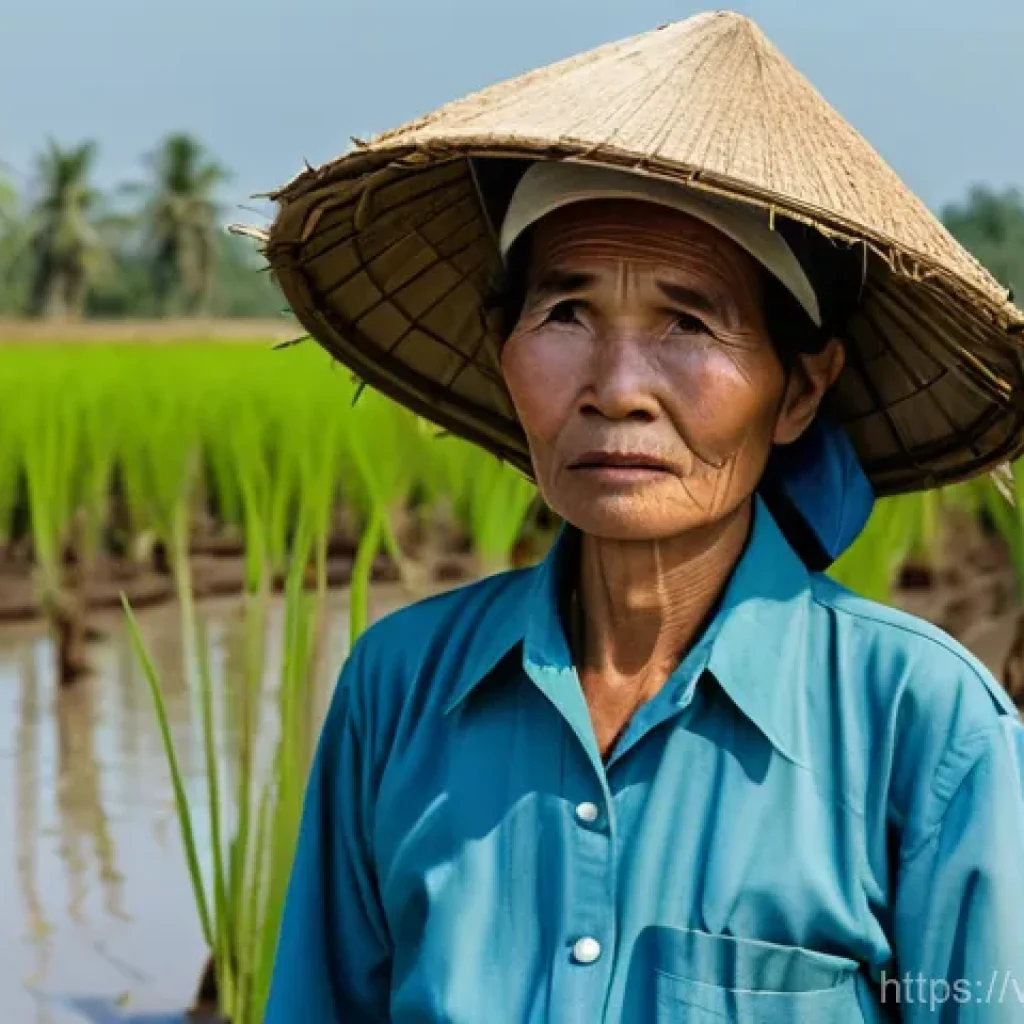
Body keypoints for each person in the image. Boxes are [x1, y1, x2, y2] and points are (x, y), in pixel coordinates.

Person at [260, 11, 1024, 1022]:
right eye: (566, 313)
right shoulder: (396, 689)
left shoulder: (923, 723)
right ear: (505, 349)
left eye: (688, 321)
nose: (616, 388)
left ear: (798, 391)